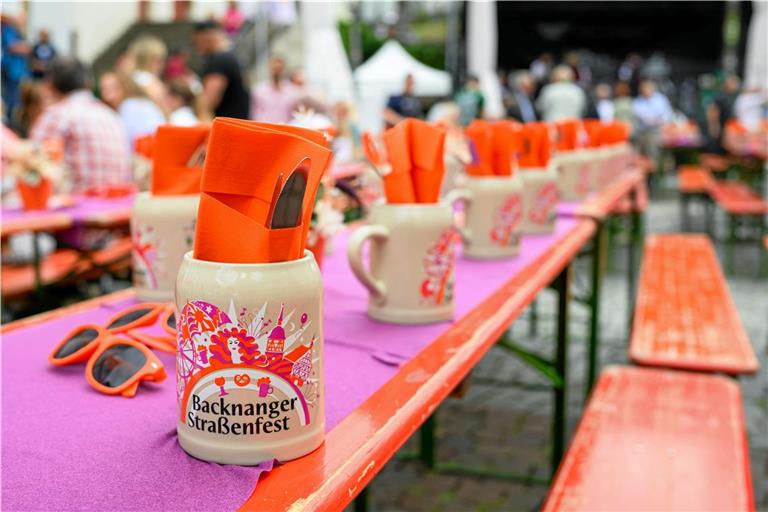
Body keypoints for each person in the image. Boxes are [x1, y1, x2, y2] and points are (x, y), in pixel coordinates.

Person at [30, 58, 131, 193]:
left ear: (50, 85)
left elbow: (31, 170)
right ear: (88, 83)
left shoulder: (56, 117)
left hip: (77, 209)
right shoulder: (112, 117)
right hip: (118, 208)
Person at [193, 20, 250, 119]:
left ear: (206, 38)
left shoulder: (219, 60)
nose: (197, 46)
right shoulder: (231, 57)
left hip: (227, 128)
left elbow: (208, 102)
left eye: (197, 41)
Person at [251, 56, 300, 123]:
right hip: (265, 130)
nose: (277, 72)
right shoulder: (259, 91)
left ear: (284, 70)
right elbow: (255, 115)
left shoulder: (292, 91)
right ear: (269, 68)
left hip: (285, 130)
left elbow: (295, 115)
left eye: (279, 69)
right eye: (275, 69)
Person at [127, 35, 168, 112]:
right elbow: (163, 107)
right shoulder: (147, 80)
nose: (162, 64)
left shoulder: (133, 78)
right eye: (159, 60)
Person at [632, 79, 673, 158]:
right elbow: (639, 116)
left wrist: (661, 122)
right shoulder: (638, 101)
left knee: (658, 153)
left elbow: (667, 114)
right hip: (643, 132)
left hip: (659, 131)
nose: (646, 91)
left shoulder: (660, 99)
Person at [1, 14, 30, 121]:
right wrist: (25, 48)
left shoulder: (19, 33)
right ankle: (8, 120)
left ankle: (14, 119)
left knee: (18, 98)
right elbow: (12, 47)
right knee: (9, 97)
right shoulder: (8, 30)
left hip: (19, 72)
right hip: (10, 70)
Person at [706, 75, 740, 152]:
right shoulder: (720, 96)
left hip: (726, 127)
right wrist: (714, 125)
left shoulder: (730, 96)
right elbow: (713, 111)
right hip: (720, 126)